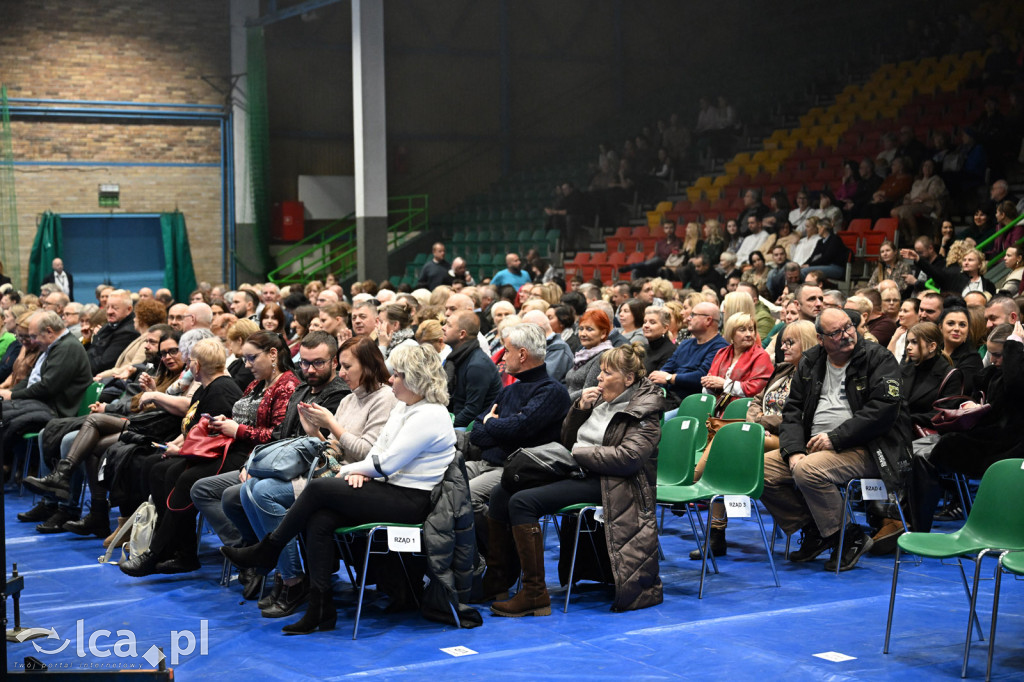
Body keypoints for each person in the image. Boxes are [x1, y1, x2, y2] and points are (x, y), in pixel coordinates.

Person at [221, 344, 457, 635]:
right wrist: (363, 473)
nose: (392, 380)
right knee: (321, 519)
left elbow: (386, 463)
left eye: (398, 375)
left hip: (411, 500)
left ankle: (269, 549)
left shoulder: (431, 415)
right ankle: (321, 609)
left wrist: (350, 470)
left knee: (319, 490)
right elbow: (377, 457)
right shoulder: (405, 408)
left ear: (417, 379)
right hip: (387, 488)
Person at [481, 343, 663, 615]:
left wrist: (580, 454)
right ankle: (497, 580)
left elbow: (628, 458)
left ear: (628, 379)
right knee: (501, 492)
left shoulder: (644, 411)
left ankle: (534, 594)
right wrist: (579, 409)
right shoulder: (601, 401)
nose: (600, 377)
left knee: (522, 503)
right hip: (580, 469)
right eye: (600, 371)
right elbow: (567, 439)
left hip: (613, 483)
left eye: (608, 372)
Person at [234, 335, 395, 616]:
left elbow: (366, 454)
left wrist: (330, 422)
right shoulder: (349, 399)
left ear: (368, 366)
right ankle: (285, 575)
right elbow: (332, 448)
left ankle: (293, 580)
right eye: (341, 367)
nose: (341, 373)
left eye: (346, 367)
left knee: (263, 492)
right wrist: (314, 432)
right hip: (331, 472)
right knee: (249, 490)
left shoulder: (384, 399)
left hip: (357, 480)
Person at [120, 333, 298, 577]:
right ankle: (183, 551)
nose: (246, 365)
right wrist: (228, 423)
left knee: (183, 479)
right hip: (242, 450)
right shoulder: (256, 384)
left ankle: (166, 551)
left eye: (251, 358)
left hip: (250, 455)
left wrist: (236, 429)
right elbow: (213, 422)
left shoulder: (284, 385)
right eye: (245, 358)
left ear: (273, 355)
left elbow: (279, 434)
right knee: (164, 470)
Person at [760, 308, 911, 572]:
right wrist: (793, 450)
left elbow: (883, 410)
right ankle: (818, 532)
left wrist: (835, 437)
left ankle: (847, 537)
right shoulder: (810, 361)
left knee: (809, 469)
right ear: (820, 339)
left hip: (870, 448)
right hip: (814, 445)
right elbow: (792, 410)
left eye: (849, 327)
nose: (846, 335)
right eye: (836, 332)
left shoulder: (879, 358)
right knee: (761, 470)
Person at [23, 329, 184, 534]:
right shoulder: (160, 372)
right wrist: (151, 391)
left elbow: (177, 409)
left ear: (186, 351)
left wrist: (152, 395)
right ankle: (91, 510)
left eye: (173, 351)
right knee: (65, 436)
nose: (167, 357)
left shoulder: (187, 378)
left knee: (81, 430)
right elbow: (139, 403)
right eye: (163, 353)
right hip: (140, 421)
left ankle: (64, 484)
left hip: (160, 430)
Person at [694, 320, 819, 559]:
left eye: (791, 342)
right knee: (727, 454)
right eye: (783, 342)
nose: (784, 347)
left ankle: (696, 484)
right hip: (762, 432)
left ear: (808, 344)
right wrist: (755, 424)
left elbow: (798, 417)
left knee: (726, 443)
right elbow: (755, 401)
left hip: (791, 440)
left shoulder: (813, 376)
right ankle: (715, 532)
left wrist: (761, 424)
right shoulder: (782, 370)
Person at [466, 323, 572, 518]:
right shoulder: (509, 390)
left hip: (515, 469)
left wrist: (491, 423)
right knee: (440, 482)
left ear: (522, 355)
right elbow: (476, 433)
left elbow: (517, 430)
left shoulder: (551, 392)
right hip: (485, 462)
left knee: (466, 496)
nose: (503, 356)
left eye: (506, 351)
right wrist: (501, 429)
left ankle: (496, 547)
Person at [0, 311, 92, 457]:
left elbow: (47, 387)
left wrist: (13, 395)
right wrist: (8, 394)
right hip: (41, 404)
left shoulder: (67, 348)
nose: (33, 341)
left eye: (34, 336)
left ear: (49, 331)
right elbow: (30, 379)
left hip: (55, 411)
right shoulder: (52, 348)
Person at [649, 301, 728, 404]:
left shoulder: (720, 347)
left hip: (693, 403)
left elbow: (702, 377)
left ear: (708, 320)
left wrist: (670, 378)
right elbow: (664, 371)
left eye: (693, 315)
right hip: (668, 398)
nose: (688, 318)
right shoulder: (685, 344)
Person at [699, 311, 773, 405]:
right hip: (718, 406)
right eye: (742, 330)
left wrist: (725, 384)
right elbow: (713, 384)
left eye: (751, 329)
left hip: (744, 408)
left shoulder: (761, 356)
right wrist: (708, 384)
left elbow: (757, 389)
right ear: (731, 333)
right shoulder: (721, 353)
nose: (748, 334)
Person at [442, 310, 500, 427]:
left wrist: (444, 427)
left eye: (449, 325)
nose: (443, 328)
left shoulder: (477, 365)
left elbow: (472, 412)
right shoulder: (456, 358)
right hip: (457, 421)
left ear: (462, 334)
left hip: (473, 430)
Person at [564, 309, 614, 401]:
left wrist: (560, 399)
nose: (583, 334)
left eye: (589, 329)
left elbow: (589, 392)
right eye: (581, 329)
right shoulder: (582, 353)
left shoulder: (603, 356)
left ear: (603, 333)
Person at [87, 291, 140, 374]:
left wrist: (96, 338)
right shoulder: (110, 325)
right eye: (107, 307)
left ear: (129, 309)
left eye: (115, 308)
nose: (109, 312)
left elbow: (102, 364)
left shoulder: (128, 332)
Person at [938, 307, 983, 394]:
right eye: (951, 323)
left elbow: (958, 391)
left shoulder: (972, 358)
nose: (957, 328)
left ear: (968, 329)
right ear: (940, 327)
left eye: (962, 325)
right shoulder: (934, 350)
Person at [520, 310, 572, 383]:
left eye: (525, 329)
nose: (523, 334)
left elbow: (541, 379)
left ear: (538, 328)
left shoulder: (559, 348)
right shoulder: (538, 346)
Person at [641, 306, 675, 373]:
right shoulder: (642, 348)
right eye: (645, 322)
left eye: (652, 322)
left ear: (665, 328)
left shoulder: (670, 352)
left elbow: (658, 381)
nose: (646, 325)